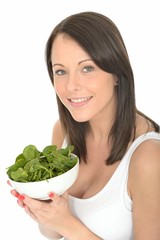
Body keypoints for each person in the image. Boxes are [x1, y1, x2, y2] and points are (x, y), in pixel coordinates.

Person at [9, 11, 160, 240]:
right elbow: (53, 233)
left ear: (117, 73)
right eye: (61, 71)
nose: (71, 86)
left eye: (87, 68)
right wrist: (43, 210)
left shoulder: (148, 158)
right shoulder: (63, 131)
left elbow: (66, 227)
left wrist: (68, 224)